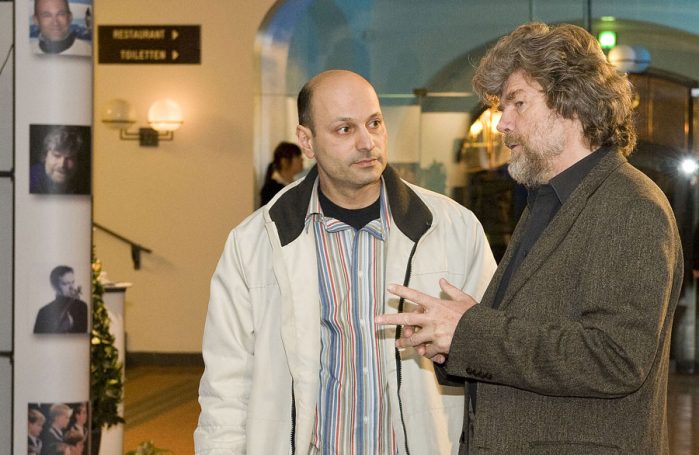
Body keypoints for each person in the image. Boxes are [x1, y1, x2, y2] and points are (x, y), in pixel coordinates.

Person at [376, 22, 684, 454]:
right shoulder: (549, 201)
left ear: (571, 102)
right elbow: (533, 337)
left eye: (517, 103)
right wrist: (451, 342)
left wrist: (470, 330)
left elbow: (614, 356)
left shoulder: (630, 205)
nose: (502, 124)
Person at [194, 69, 496, 454]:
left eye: (374, 123)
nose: (367, 142)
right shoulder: (254, 243)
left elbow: (494, 357)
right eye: (344, 129)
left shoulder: (454, 229)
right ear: (307, 141)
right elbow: (225, 387)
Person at [30, 126, 89, 195]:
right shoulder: (30, 180)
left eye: (70, 157)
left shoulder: (84, 183)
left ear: (77, 161)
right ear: (45, 156)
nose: (62, 164)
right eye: (56, 156)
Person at [34, 266, 88, 334]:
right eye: (65, 284)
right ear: (54, 287)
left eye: (72, 282)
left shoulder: (81, 307)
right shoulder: (43, 312)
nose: (72, 287)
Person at [259, 141, 304, 206]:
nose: (302, 159)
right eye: (297, 156)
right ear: (284, 161)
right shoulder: (270, 189)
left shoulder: (294, 185)